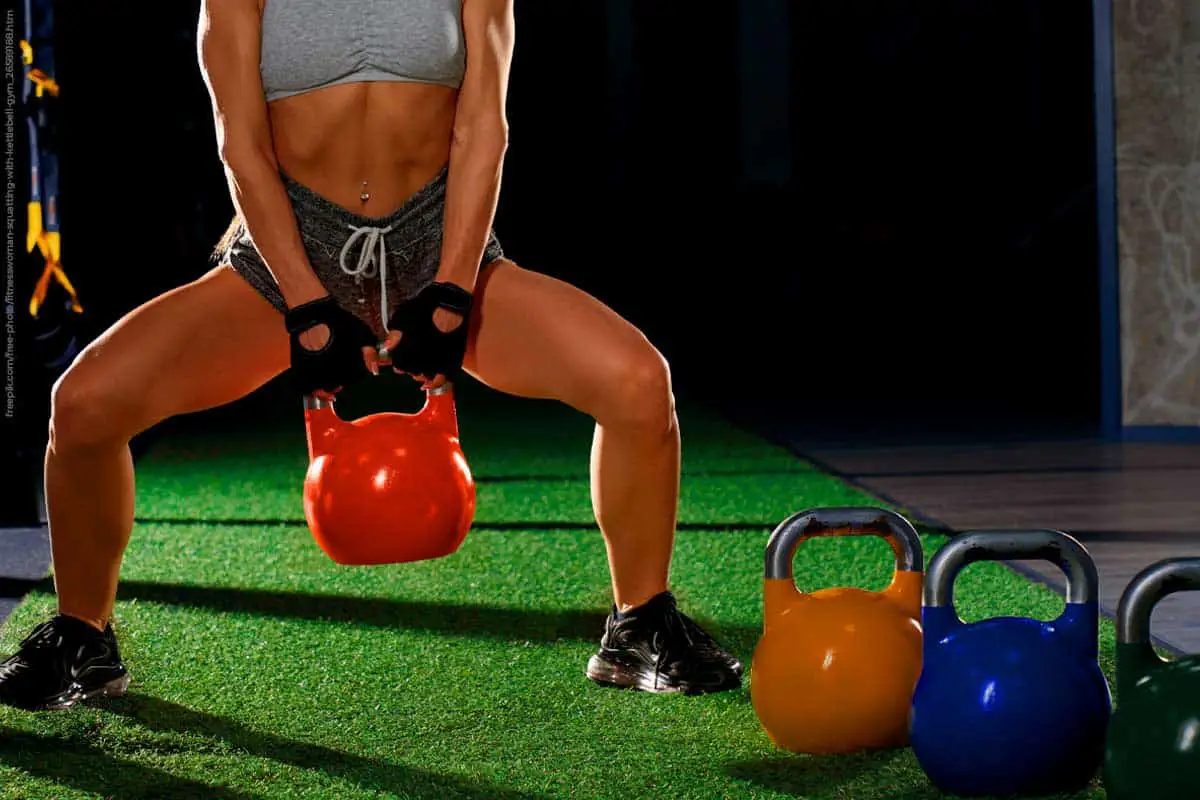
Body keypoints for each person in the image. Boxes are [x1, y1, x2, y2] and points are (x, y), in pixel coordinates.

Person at [0, 0, 742, 711]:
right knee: (85, 406)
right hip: (293, 245)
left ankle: (639, 625)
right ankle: (83, 637)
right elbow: (241, 141)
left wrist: (453, 289)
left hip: (437, 240)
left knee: (638, 382)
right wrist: (306, 305)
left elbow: (483, 126)